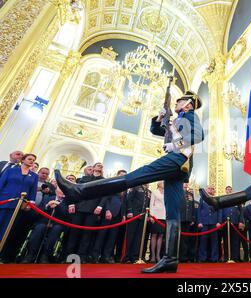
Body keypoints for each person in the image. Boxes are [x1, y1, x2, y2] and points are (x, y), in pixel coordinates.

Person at [55, 91, 204, 273]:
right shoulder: (178, 119)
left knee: (132, 178)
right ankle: (170, 260)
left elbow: (198, 136)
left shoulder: (189, 115)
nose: (176, 103)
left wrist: (175, 145)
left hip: (177, 159)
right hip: (178, 166)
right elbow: (157, 130)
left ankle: (79, 191)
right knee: (173, 212)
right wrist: (159, 118)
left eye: (179, 100)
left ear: (188, 103)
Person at [21, 186, 67, 263]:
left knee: (56, 230)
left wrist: (58, 206)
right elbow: (37, 212)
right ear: (56, 191)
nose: (61, 192)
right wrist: (47, 206)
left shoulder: (67, 201)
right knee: (39, 228)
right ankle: (30, 254)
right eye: (60, 190)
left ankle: (45, 255)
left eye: (63, 191)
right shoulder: (47, 198)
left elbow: (66, 215)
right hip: (43, 222)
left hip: (57, 224)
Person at [91, 170, 128, 264]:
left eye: (125, 175)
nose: (123, 176)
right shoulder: (112, 183)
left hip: (119, 215)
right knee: (101, 235)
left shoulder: (125, 186)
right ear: (117, 175)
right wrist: (107, 210)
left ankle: (106, 256)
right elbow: (106, 198)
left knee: (112, 237)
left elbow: (124, 202)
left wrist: (123, 214)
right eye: (121, 175)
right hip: (109, 213)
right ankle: (95, 256)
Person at [0, 154, 38, 242]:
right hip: (4, 201)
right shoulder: (10, 171)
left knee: (7, 229)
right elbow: (1, 184)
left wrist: (30, 203)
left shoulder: (34, 176)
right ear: (23, 160)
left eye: (33, 160)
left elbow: (33, 190)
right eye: (29, 159)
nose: (32, 161)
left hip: (18, 205)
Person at [197, 185, 222, 263]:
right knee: (203, 241)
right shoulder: (202, 199)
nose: (210, 190)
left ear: (214, 190)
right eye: (209, 188)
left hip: (214, 223)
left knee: (214, 241)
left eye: (212, 189)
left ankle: (214, 258)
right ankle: (202, 258)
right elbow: (199, 211)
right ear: (206, 190)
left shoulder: (216, 199)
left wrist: (219, 222)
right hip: (204, 223)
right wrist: (200, 222)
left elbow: (219, 211)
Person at [149, 181, 165, 263]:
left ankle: (158, 255)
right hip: (155, 216)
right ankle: (153, 256)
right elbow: (151, 204)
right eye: (162, 182)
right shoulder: (154, 192)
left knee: (161, 236)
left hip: (164, 216)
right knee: (154, 235)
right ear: (158, 184)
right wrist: (151, 215)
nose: (164, 183)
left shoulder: (166, 193)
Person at [180, 183, 196, 263]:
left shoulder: (190, 194)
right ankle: (177, 257)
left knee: (185, 239)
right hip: (180, 219)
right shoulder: (178, 192)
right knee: (178, 239)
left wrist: (192, 218)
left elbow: (192, 206)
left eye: (187, 183)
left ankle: (184, 257)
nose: (186, 184)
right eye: (184, 183)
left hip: (187, 219)